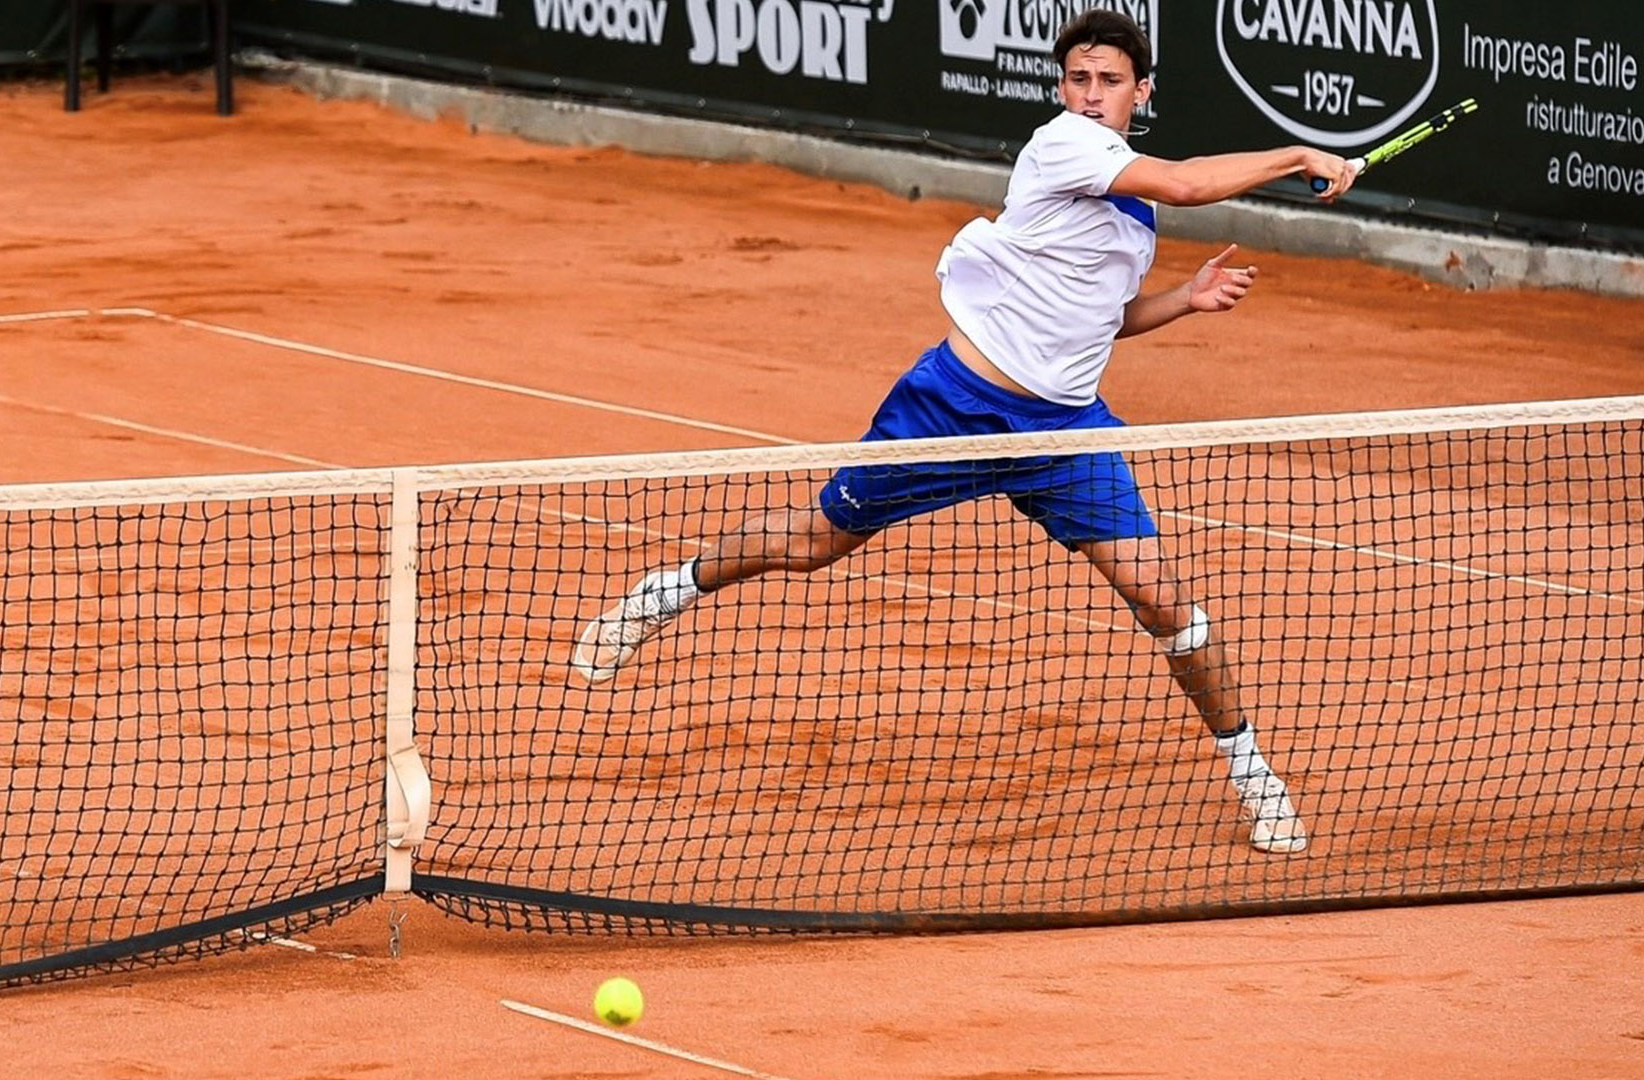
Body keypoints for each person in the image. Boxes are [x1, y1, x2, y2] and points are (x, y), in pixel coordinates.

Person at [572, 9, 1358, 855]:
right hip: (951, 408)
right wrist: (1300, 153)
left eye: (1110, 82)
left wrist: (1183, 301)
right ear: (1063, 89)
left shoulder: (1128, 206)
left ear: (1142, 92)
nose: (1091, 96)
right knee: (812, 543)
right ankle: (670, 588)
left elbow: (1096, 319)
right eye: (1079, 80)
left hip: (1063, 432)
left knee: (1162, 599)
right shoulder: (1065, 145)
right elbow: (1190, 183)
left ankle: (1252, 776)